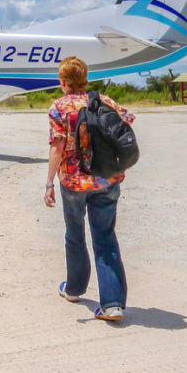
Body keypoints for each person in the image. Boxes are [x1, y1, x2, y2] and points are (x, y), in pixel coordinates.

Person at [43, 56, 135, 322]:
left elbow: (56, 148)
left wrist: (49, 183)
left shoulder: (59, 107)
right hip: (106, 179)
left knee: (74, 234)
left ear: (63, 81)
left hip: (73, 181)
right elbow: (124, 129)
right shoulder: (106, 102)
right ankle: (113, 304)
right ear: (84, 79)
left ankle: (74, 289)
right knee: (105, 237)